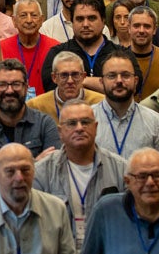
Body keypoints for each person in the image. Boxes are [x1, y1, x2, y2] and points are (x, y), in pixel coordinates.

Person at [0, 59, 61, 200]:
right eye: (2, 84)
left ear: (26, 87)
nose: (9, 90)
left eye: (16, 84)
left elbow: (53, 176)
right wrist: (34, 163)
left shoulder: (45, 124)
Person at [34, 98, 128, 245]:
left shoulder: (121, 169)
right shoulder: (41, 172)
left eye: (85, 122)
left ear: (96, 127)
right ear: (60, 132)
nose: (79, 128)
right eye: (72, 123)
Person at [92, 51, 159, 161]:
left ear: (135, 81)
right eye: (112, 76)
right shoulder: (87, 120)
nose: (119, 80)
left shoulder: (155, 121)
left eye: (125, 75)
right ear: (101, 81)